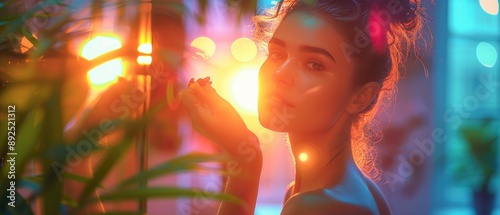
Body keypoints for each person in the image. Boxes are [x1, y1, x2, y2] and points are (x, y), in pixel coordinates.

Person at [180, 0, 428, 214]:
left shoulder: (318, 206)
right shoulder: (348, 192)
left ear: (360, 97)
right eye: (277, 54)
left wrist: (244, 161)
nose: (279, 74)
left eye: (314, 65)